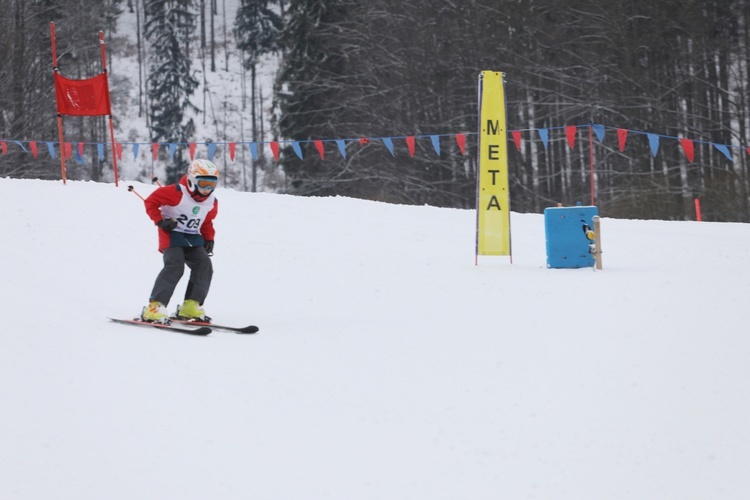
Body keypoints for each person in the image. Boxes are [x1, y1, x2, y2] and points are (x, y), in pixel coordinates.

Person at [141, 159, 219, 323]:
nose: (207, 189)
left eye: (211, 185)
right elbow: (151, 202)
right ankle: (154, 306)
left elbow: (206, 222)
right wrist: (160, 221)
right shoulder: (175, 192)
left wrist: (209, 239)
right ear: (192, 180)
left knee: (204, 265)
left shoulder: (212, 202)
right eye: (203, 183)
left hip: (192, 237)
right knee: (175, 266)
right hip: (172, 235)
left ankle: (191, 305)